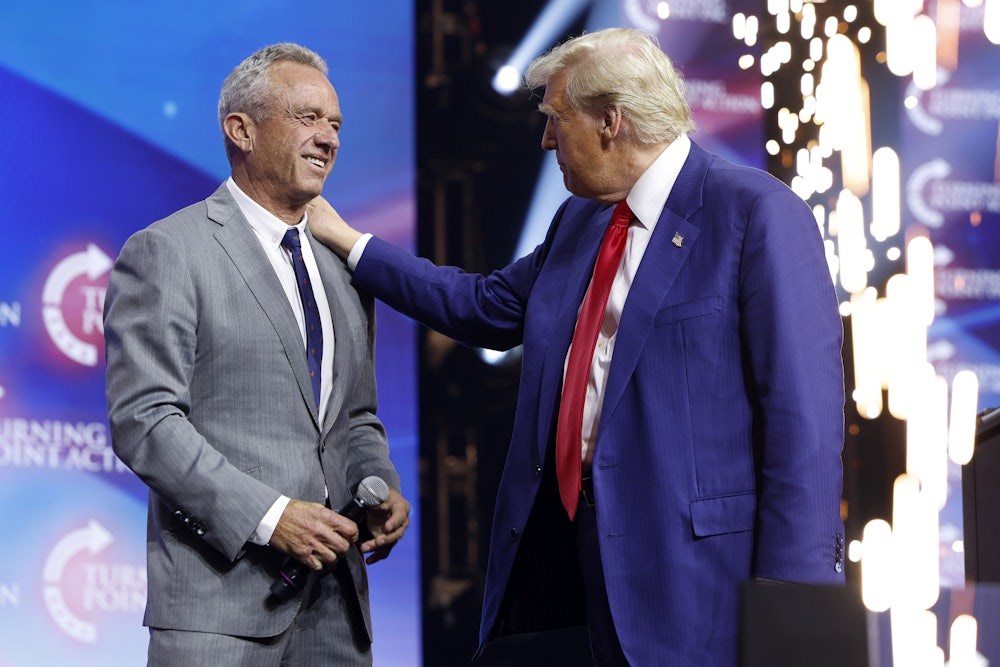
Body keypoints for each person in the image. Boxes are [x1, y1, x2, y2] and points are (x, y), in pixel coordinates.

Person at [313, 27, 845, 666]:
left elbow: (804, 423)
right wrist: (350, 242)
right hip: (561, 567)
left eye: (556, 118)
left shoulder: (754, 213)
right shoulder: (580, 219)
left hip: (693, 582)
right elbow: (484, 307)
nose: (546, 139)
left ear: (610, 121)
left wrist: (791, 610)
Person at [104, 43, 410, 666]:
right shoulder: (169, 250)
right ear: (241, 130)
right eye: (307, 118)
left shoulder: (343, 267)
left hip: (336, 611)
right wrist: (271, 518)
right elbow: (145, 420)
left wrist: (378, 484)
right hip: (218, 612)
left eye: (335, 124)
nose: (328, 138)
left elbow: (354, 416)